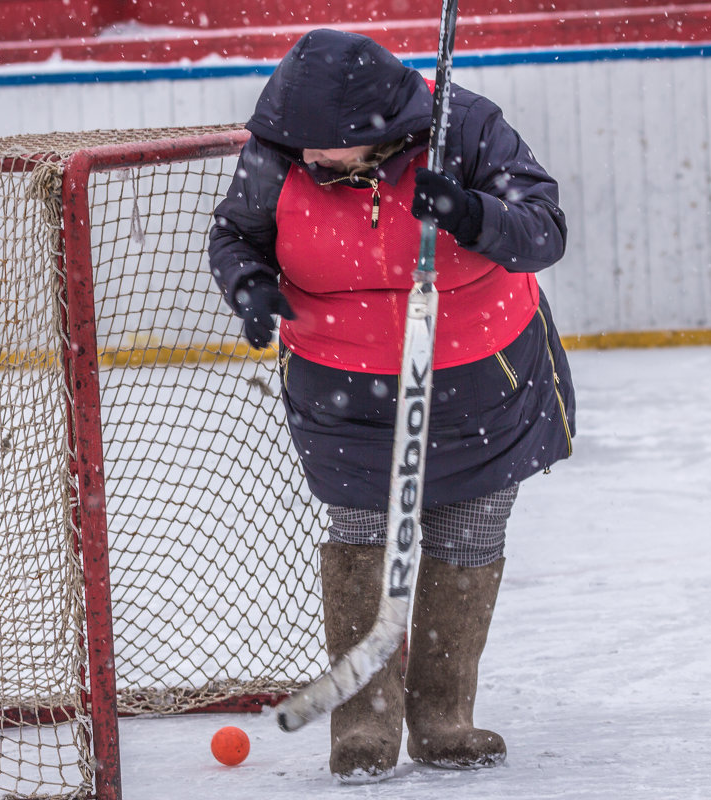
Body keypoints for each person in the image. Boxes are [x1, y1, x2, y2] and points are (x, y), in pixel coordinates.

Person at [207, 28, 575, 783]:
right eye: (295, 145)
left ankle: (444, 720)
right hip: (342, 384)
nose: (306, 160)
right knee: (362, 529)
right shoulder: (280, 149)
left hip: (481, 370)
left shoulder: (465, 128)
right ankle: (364, 730)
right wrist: (249, 290)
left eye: (325, 151)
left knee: (469, 525)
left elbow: (544, 232)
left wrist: (472, 213)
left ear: (373, 132)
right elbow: (235, 235)